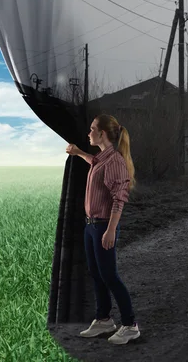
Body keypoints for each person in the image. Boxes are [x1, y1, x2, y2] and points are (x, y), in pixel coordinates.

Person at [65, 114, 140, 345]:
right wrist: (79, 153)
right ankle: (104, 319)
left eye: (92, 129)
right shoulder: (102, 159)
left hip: (102, 227)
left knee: (110, 276)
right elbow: (94, 163)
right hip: (91, 226)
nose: (89, 133)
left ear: (102, 134)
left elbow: (119, 199)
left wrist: (110, 230)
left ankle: (130, 325)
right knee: (97, 274)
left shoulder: (115, 161)